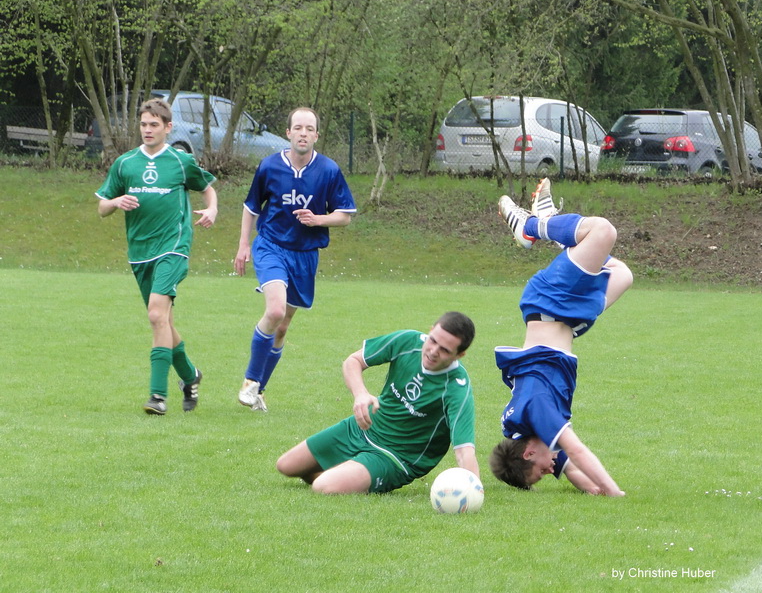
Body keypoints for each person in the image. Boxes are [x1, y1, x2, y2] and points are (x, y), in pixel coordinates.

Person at [489, 178, 633, 496]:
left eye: (540, 472)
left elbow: (577, 450)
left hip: (550, 302)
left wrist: (613, 492)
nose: (550, 470)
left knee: (603, 232)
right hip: (570, 318)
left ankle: (532, 226)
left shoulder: (536, 409)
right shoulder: (527, 432)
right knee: (622, 275)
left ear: (528, 454)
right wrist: (594, 489)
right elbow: (573, 469)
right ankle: (556, 230)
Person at [95, 98, 218, 415]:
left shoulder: (179, 161)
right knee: (163, 320)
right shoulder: (125, 163)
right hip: (140, 252)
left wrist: (212, 209)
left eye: (154, 124)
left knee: (155, 315)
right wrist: (116, 201)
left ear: (168, 127)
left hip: (173, 247)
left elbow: (207, 187)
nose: (147, 130)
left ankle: (157, 396)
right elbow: (102, 208)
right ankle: (190, 376)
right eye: (143, 124)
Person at [275, 312, 480, 494]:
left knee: (323, 487)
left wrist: (474, 491)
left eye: (445, 350)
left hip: (395, 457)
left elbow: (464, 450)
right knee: (286, 466)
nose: (433, 351)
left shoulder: (457, 388)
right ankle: (347, 474)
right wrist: (360, 394)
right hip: (363, 428)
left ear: (460, 355)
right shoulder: (407, 342)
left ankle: (348, 475)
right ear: (431, 330)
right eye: (433, 340)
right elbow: (353, 361)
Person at [234, 107, 356, 412]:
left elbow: (345, 216)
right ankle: (250, 381)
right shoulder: (269, 166)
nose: (303, 133)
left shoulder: (328, 170)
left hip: (304, 255)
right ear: (288, 133)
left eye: (309, 129)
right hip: (271, 246)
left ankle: (259, 390)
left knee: (283, 326)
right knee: (275, 310)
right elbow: (252, 207)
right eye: (298, 128)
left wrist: (318, 219)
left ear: (316, 135)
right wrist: (243, 245)